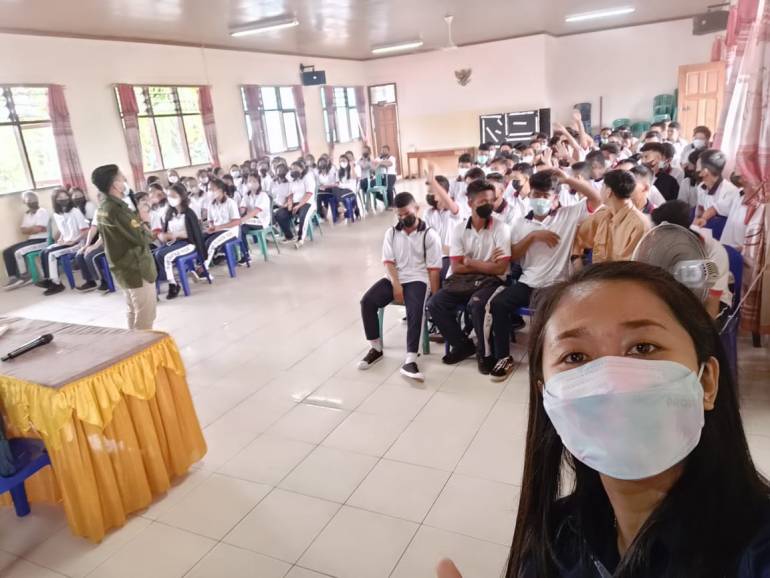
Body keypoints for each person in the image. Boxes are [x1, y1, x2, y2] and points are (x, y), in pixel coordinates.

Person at [493, 261, 770, 578]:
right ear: (548, 397)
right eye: (576, 357)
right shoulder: (556, 540)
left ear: (706, 382)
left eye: (643, 347)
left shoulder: (758, 553)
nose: (612, 382)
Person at [488, 169, 602, 381]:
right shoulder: (521, 223)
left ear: (555, 197)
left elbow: (596, 198)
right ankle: (503, 357)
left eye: (545, 195)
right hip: (528, 281)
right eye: (536, 195)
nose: (539, 199)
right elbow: (512, 256)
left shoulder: (568, 215)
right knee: (499, 305)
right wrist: (533, 237)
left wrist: (566, 178)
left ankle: (550, 363)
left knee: (547, 316)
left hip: (555, 283)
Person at [427, 179, 511, 374]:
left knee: (478, 303)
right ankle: (462, 345)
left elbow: (500, 268)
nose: (488, 205)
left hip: (492, 282)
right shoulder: (459, 230)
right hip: (463, 281)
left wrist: (471, 262)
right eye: (482, 201)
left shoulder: (501, 228)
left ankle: (485, 354)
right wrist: (486, 264)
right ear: (470, 203)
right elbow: (456, 267)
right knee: (435, 303)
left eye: (491, 201)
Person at [358, 192, 443, 381]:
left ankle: (411, 360)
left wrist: (435, 297)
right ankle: (375, 348)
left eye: (406, 213)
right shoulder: (392, 232)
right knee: (367, 302)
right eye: (399, 215)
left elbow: (434, 269)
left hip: (419, 279)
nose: (403, 218)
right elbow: (388, 263)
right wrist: (396, 285)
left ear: (417, 208)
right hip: (394, 278)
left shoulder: (429, 235)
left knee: (415, 311)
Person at [91, 164, 157, 330]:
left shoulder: (102, 208)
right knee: (145, 314)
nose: (125, 180)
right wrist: (145, 220)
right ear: (115, 184)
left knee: (132, 310)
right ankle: (142, 352)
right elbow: (143, 238)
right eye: (121, 178)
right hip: (136, 266)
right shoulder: (118, 210)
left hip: (122, 266)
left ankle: (132, 345)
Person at [651, 200, 731, 322]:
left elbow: (712, 304)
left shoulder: (714, 254)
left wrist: (701, 336)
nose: (657, 237)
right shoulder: (667, 244)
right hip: (681, 298)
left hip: (711, 304)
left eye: (662, 232)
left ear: (677, 232)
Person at [576, 169, 651, 263]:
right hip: (596, 274)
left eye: (602, 187)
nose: (600, 190)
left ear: (608, 192)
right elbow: (578, 236)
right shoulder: (602, 215)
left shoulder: (639, 224)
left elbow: (630, 267)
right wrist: (576, 259)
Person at [155, 183, 207, 300]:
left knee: (166, 256)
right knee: (157, 253)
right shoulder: (170, 213)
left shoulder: (189, 213)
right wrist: (164, 235)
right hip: (175, 242)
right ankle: (166, 280)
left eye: (173, 196)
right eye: (169, 196)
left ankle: (173, 284)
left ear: (181, 196)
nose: (170, 199)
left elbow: (192, 233)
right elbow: (167, 231)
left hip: (188, 243)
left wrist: (175, 235)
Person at [35, 188, 90, 296]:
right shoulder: (57, 214)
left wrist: (73, 240)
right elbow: (62, 230)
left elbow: (85, 230)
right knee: (44, 252)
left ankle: (56, 283)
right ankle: (50, 280)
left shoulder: (75, 211)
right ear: (55, 200)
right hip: (65, 241)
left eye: (65, 196)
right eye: (60, 198)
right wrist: (60, 239)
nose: (63, 199)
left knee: (51, 254)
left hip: (77, 243)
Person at [3, 191, 50, 289]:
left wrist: (31, 229)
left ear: (37, 200)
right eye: (29, 200)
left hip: (42, 240)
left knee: (18, 252)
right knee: (7, 251)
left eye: (33, 200)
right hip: (31, 240)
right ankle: (13, 278)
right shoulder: (27, 214)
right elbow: (23, 230)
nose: (32, 202)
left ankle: (26, 276)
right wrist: (33, 229)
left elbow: (39, 229)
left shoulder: (42, 211)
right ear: (25, 202)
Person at [424, 168, 462, 284]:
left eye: (432, 192)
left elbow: (452, 205)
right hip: (433, 255)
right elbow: (426, 237)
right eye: (428, 192)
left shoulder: (455, 209)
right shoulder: (429, 212)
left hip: (450, 256)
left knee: (443, 276)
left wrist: (433, 182)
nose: (429, 195)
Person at [693, 149, 740, 234]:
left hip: (721, 232)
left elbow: (714, 209)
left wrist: (703, 218)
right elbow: (700, 208)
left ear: (705, 171)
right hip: (704, 229)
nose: (696, 169)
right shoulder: (701, 187)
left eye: (698, 166)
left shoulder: (730, 191)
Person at [274, 160, 316, 248]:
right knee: (279, 214)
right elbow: (290, 193)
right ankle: (289, 236)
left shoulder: (308, 177)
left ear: (302, 169)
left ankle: (300, 239)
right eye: (292, 169)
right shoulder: (292, 179)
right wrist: (289, 204)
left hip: (307, 203)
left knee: (303, 217)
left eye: (296, 169)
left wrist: (298, 205)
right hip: (294, 203)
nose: (293, 171)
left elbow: (309, 193)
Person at [203, 177, 242, 268]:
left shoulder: (230, 203)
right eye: (208, 190)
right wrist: (212, 227)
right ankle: (205, 260)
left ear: (220, 190)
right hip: (217, 230)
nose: (210, 192)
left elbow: (236, 222)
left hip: (230, 231)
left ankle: (204, 268)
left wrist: (219, 227)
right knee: (201, 239)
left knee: (211, 243)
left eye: (212, 189)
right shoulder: (211, 204)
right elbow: (210, 220)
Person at [74, 209, 108, 292]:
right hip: (101, 241)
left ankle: (104, 282)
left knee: (90, 256)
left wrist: (95, 246)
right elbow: (93, 228)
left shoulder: (110, 209)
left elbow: (106, 231)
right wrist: (87, 245)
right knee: (80, 254)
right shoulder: (99, 210)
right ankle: (90, 282)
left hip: (111, 242)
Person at [239, 172, 271, 258]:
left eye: (254, 181)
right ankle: (245, 254)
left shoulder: (263, 195)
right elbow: (242, 209)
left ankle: (245, 254)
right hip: (249, 220)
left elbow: (256, 211)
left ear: (259, 183)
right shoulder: (246, 195)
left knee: (240, 225)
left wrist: (242, 220)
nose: (251, 183)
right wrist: (240, 210)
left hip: (261, 221)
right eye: (249, 181)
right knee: (240, 229)